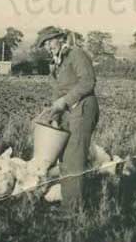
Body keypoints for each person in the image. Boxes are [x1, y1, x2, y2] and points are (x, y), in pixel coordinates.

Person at [35, 27, 99, 207]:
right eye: (44, 44)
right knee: (64, 159)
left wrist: (64, 101)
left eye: (49, 42)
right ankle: (69, 202)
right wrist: (53, 113)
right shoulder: (58, 61)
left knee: (74, 159)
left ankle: (73, 210)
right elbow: (58, 91)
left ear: (59, 38)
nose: (48, 47)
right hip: (68, 113)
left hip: (83, 110)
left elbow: (88, 82)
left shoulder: (76, 54)